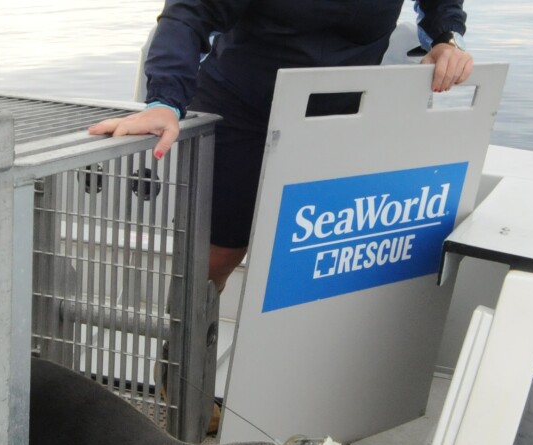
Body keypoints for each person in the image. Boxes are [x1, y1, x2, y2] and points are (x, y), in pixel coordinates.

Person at [89, 0, 474, 294]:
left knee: (325, 251)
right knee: (219, 253)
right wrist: (164, 101)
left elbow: (440, 5)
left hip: (342, 113)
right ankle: (180, 364)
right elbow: (190, 14)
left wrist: (445, 40)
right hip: (240, 104)